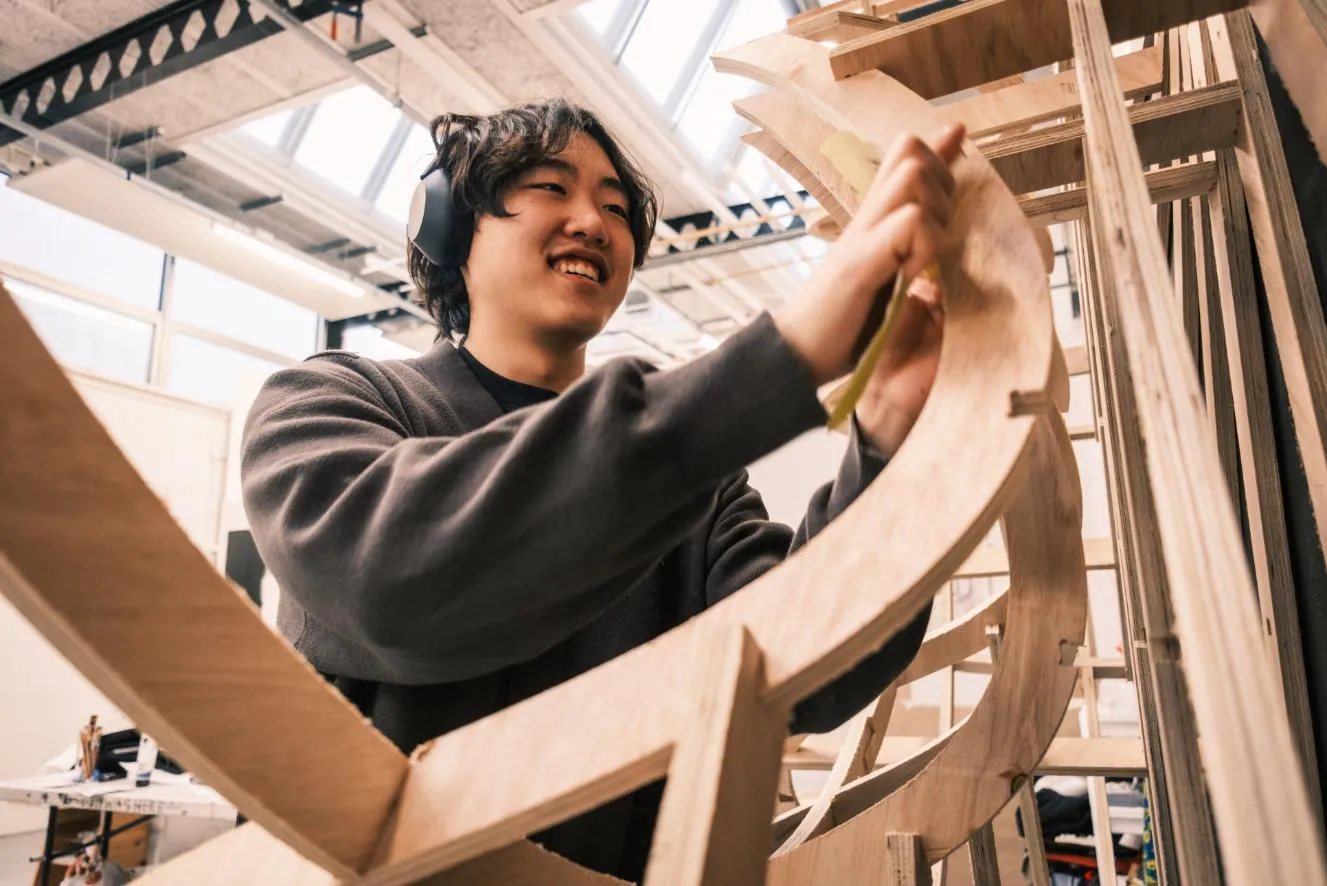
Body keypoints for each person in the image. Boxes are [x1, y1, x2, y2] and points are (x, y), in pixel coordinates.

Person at [241, 99, 964, 879]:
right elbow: (386, 580)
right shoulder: (331, 404)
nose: (592, 222)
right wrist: (786, 350)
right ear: (449, 227)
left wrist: (888, 433)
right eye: (550, 188)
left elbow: (812, 673)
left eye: (616, 209)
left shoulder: (699, 491)